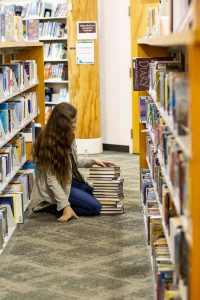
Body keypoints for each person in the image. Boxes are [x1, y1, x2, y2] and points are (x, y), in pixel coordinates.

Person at [31, 102, 114, 222]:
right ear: (62, 123)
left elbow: (72, 163)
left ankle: (62, 203)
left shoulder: (68, 136)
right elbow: (52, 181)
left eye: (75, 121)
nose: (75, 125)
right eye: (72, 122)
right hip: (57, 185)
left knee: (90, 191)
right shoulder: (48, 144)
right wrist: (65, 206)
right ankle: (55, 207)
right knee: (95, 207)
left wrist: (93, 161)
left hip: (67, 179)